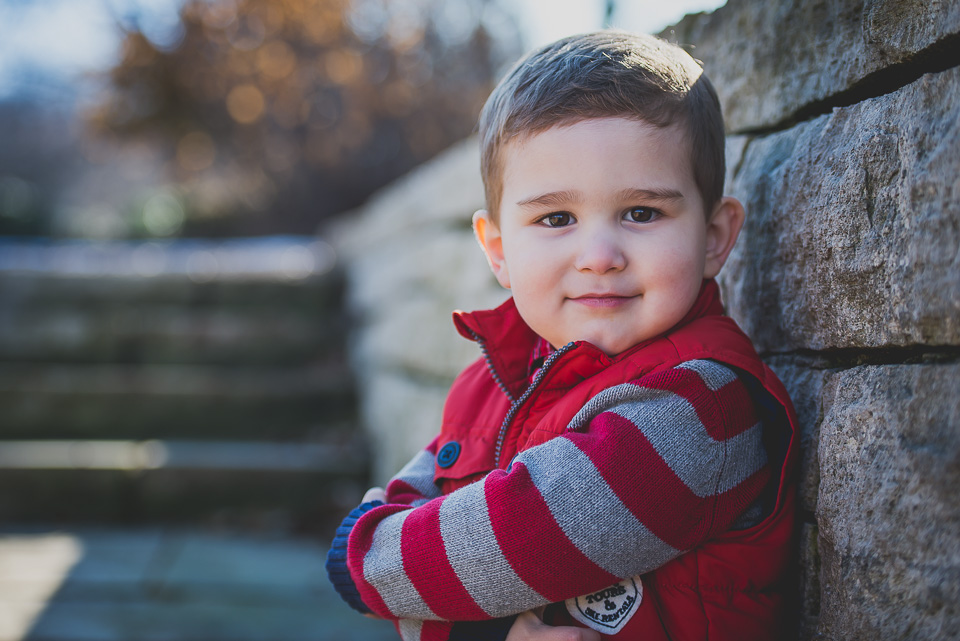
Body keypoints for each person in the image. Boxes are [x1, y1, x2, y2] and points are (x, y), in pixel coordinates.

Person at [326, 30, 798, 641]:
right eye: (556, 218)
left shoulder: (702, 408)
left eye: (642, 212)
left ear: (713, 236)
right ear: (497, 249)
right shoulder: (492, 381)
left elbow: (514, 541)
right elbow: (427, 541)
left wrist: (361, 560)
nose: (599, 256)